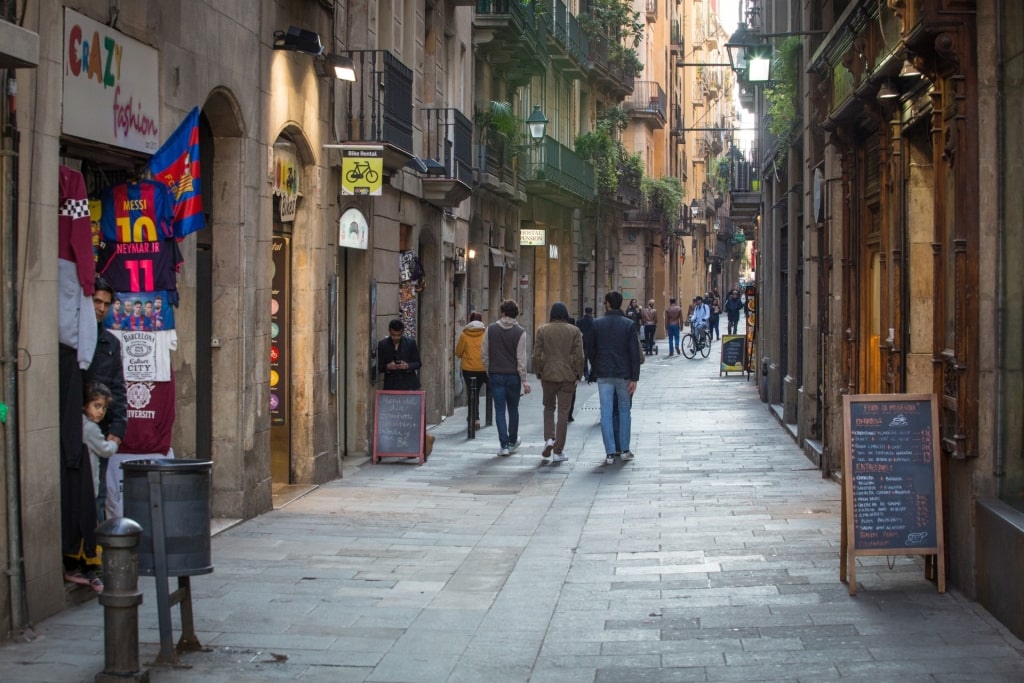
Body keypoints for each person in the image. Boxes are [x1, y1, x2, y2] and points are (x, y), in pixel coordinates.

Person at [585, 291, 641, 465]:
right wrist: (634, 377)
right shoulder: (628, 325)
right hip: (624, 374)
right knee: (624, 411)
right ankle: (624, 450)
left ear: (608, 304)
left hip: (604, 374)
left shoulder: (597, 324)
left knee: (606, 412)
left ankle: (610, 452)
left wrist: (595, 367)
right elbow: (634, 353)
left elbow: (590, 349)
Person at [532, 302, 584, 463]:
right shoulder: (574, 331)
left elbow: (536, 354)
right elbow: (580, 355)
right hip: (567, 376)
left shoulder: (542, 330)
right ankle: (558, 450)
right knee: (563, 412)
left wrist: (538, 371)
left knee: (548, 408)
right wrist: (579, 374)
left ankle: (549, 438)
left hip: (548, 375)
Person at [481, 299, 531, 456]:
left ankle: (503, 446)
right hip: (513, 377)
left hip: (496, 375)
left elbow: (484, 353)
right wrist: (524, 379)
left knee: (500, 410)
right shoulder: (520, 332)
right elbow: (521, 358)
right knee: (513, 409)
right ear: (515, 314)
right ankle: (512, 440)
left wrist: (489, 370)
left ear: (503, 312)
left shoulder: (491, 329)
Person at [82, 382, 118, 522]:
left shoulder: (80, 424)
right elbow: (105, 449)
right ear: (85, 405)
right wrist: (114, 443)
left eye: (104, 408)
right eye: (96, 406)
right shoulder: (91, 428)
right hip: (89, 485)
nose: (101, 412)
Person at [455, 311, 487, 430]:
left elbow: (458, 352)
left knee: (472, 394)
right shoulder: (485, 334)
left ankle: (473, 418)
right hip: (483, 368)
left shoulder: (464, 335)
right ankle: (476, 419)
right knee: (478, 391)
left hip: (468, 369)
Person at [377, 319, 422, 390]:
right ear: (389, 331)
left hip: (409, 385)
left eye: (399, 335)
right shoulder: (383, 344)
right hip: (391, 386)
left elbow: (418, 363)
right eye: (393, 335)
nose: (396, 338)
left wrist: (407, 366)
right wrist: (388, 367)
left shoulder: (410, 343)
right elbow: (380, 366)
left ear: (402, 332)